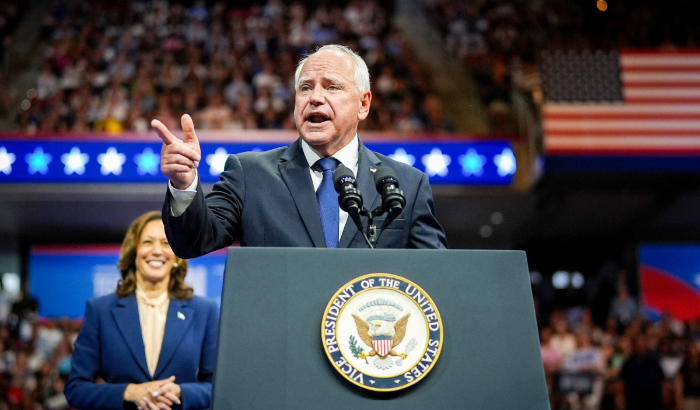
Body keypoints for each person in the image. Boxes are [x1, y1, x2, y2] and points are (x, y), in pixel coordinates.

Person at [151, 44, 447, 258]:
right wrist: (184, 184)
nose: (315, 98)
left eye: (332, 87)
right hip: (281, 339)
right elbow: (193, 243)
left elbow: (439, 278)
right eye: (305, 88)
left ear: (364, 104)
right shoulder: (250, 173)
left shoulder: (405, 184)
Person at [64, 211, 218, 410]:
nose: (156, 251)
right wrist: (129, 392)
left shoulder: (204, 311)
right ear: (133, 251)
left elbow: (218, 387)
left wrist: (180, 392)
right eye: (147, 242)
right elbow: (76, 389)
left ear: (177, 256)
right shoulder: (100, 310)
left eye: (166, 243)